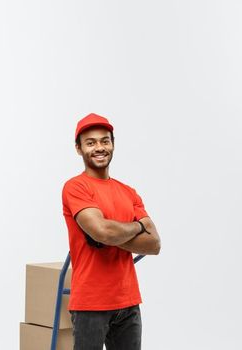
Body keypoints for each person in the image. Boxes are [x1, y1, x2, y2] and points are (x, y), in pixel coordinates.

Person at [61, 113, 161, 350]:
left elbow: (154, 243)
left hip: (128, 301)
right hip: (90, 303)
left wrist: (111, 235)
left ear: (113, 145)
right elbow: (103, 231)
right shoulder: (76, 187)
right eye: (91, 142)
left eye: (105, 141)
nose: (99, 147)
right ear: (79, 149)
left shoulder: (128, 192)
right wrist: (137, 227)